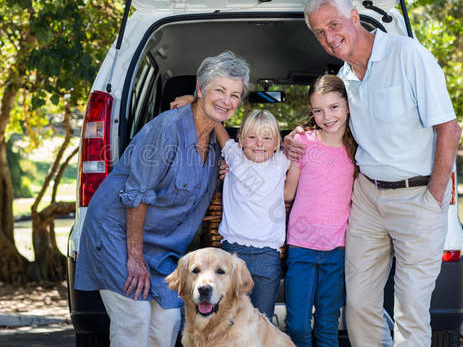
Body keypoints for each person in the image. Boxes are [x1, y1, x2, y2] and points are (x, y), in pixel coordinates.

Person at [283, 0, 462, 346]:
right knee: (359, 307)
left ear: (354, 17)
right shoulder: (345, 76)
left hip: (419, 197)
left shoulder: (407, 55)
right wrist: (296, 136)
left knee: (411, 309)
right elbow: (331, 123)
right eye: (319, 32)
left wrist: (433, 198)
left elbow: (449, 130)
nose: (329, 37)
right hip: (367, 196)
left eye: (333, 24)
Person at [74, 51, 250, 347]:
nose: (226, 100)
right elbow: (138, 195)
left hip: (162, 248)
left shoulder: (217, 148)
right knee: (135, 319)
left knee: (168, 321)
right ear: (200, 89)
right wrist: (135, 257)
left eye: (234, 95)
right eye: (219, 90)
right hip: (118, 233)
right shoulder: (166, 130)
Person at [169, 98, 291, 321]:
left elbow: (303, 144)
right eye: (252, 137)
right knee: (227, 319)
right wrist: (196, 101)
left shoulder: (281, 162)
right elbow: (217, 126)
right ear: (241, 140)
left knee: (261, 319)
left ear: (277, 144)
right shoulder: (234, 157)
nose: (259, 143)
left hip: (268, 255)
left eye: (266, 138)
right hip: (232, 253)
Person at [281, 74, 356, 347]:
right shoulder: (304, 142)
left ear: (348, 106)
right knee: (297, 326)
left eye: (334, 107)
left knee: (326, 326)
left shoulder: (357, 149)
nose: (327, 116)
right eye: (318, 110)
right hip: (301, 247)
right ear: (311, 112)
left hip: (337, 250)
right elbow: (288, 192)